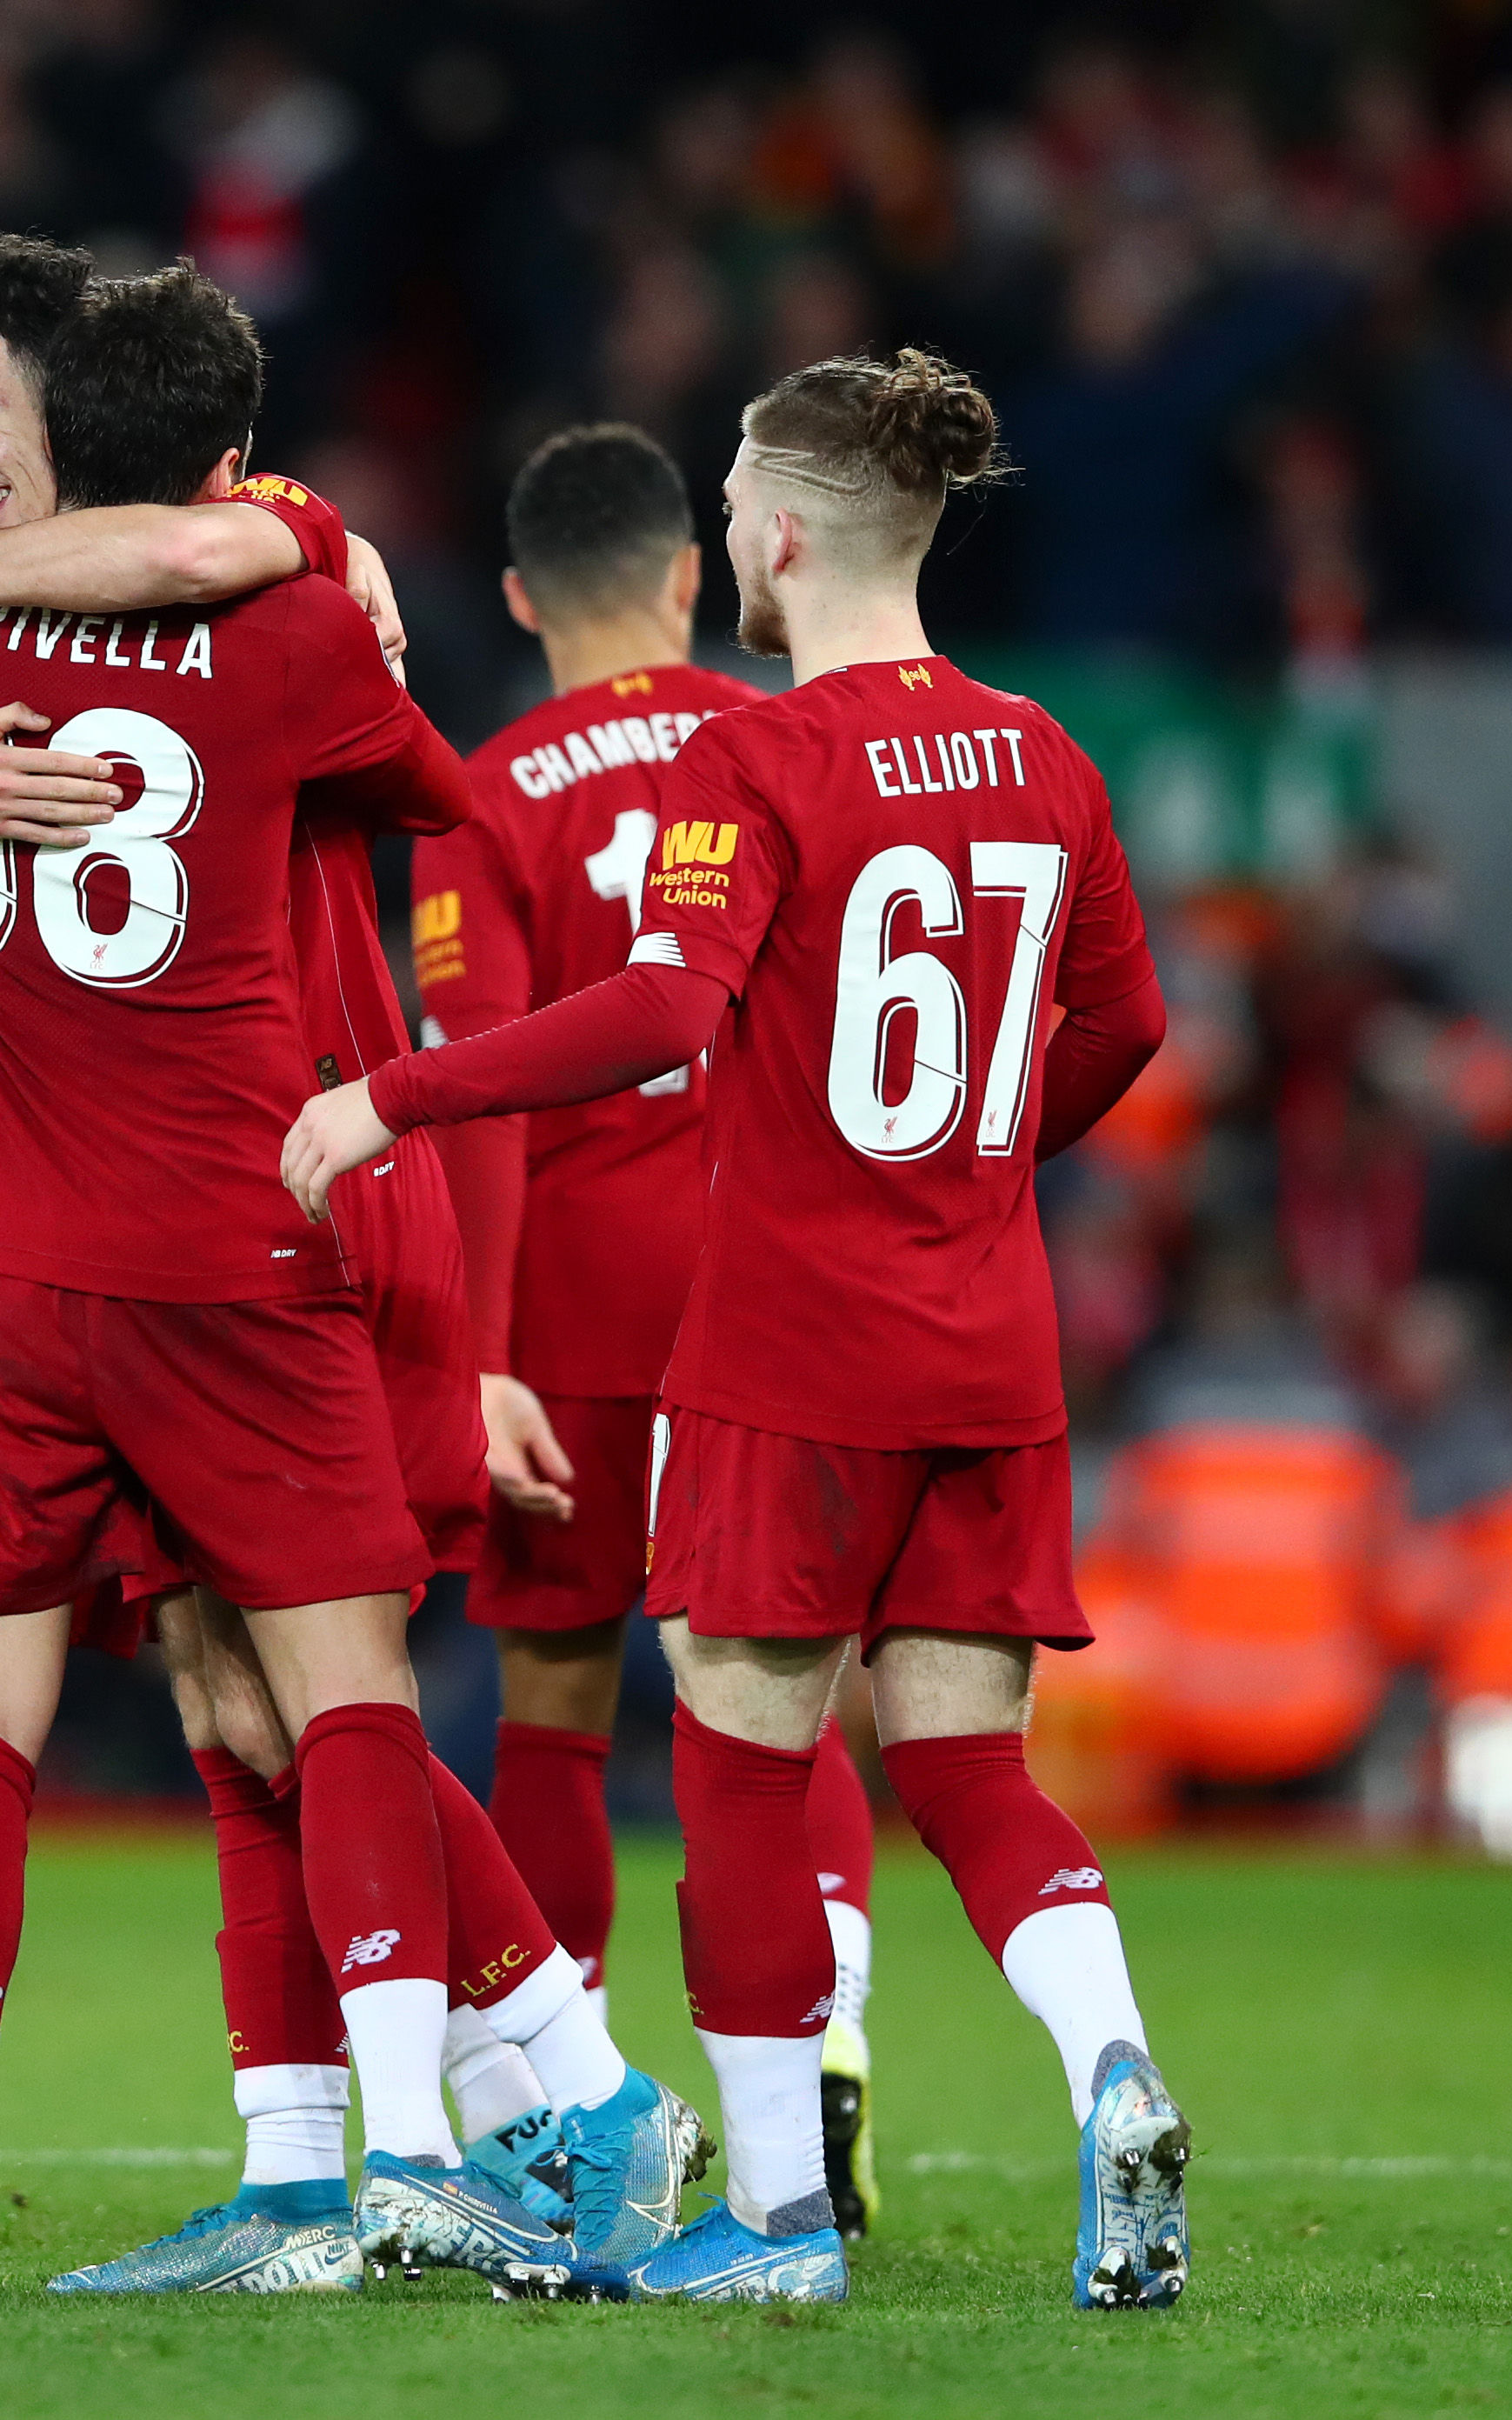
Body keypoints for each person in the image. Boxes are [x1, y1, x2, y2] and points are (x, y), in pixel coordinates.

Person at [0, 239, 703, 2298]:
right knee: (239, 1693)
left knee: (238, 1687)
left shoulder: (252, 551)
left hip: (287, 1189)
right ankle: (347, 2159)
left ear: (82, 420)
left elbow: (317, 679)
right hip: (152, 1210)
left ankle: (527, 2116)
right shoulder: (57, 626)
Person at [286, 350, 1189, 2311]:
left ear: (774, 536)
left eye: (730, 511)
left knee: (742, 1765)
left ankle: (776, 2225)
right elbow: (1126, 1025)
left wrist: (399, 1100)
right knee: (968, 1767)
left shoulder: (755, 762)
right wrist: (971, 1156)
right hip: (993, 1347)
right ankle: (1113, 2069)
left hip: (796, 1351)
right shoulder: (1049, 752)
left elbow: (663, 1017)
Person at [413, 421, 889, 2238]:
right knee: (774, 1710)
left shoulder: (488, 792)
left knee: (547, 1713)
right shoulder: (782, 745)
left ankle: (578, 2100)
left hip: (581, 1314)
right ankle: (823, 2039)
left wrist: (478, 1352)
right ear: (692, 578)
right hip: (772, 1299)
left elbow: (491, 1098)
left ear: (526, 596)